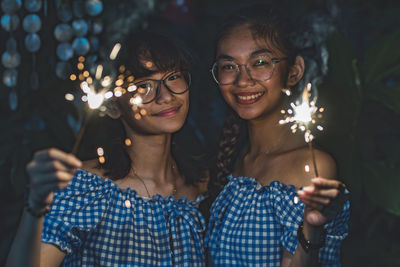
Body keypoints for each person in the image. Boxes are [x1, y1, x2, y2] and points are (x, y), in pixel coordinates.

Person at [6, 31, 207, 266]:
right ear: (113, 107)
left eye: (173, 76)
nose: (165, 96)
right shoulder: (84, 187)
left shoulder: (202, 186)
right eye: (143, 85)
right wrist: (35, 208)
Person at [206, 3, 350, 267]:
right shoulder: (232, 160)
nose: (242, 80)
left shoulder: (310, 168)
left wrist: (310, 227)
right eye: (228, 66)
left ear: (294, 71)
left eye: (260, 63)